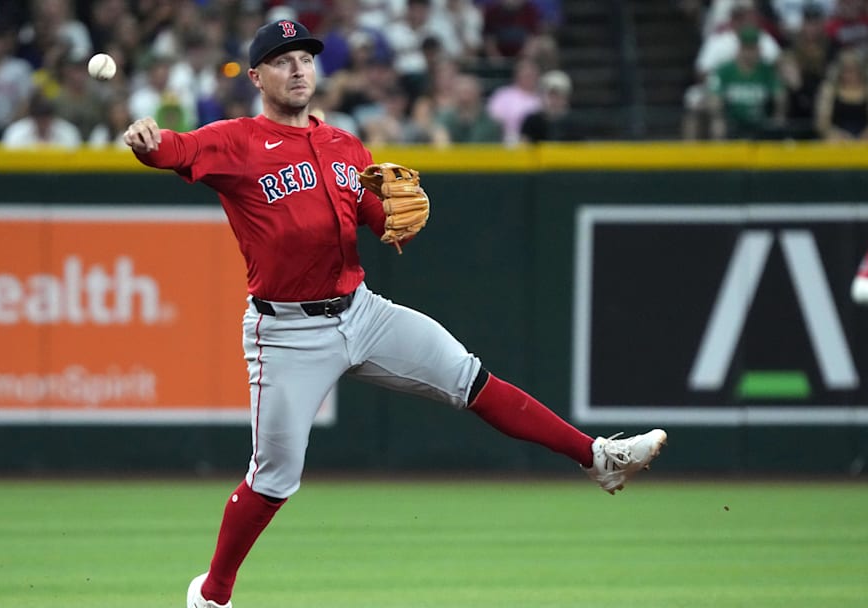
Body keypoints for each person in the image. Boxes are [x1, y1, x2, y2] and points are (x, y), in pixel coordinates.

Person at [123, 19, 667, 608]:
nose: (299, 67)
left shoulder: (344, 145)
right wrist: (150, 141)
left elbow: (372, 218)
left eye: (305, 56)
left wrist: (390, 217)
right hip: (286, 333)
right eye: (282, 60)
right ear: (256, 76)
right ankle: (212, 594)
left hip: (361, 310)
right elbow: (173, 150)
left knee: (471, 378)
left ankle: (598, 459)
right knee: (275, 477)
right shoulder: (234, 140)